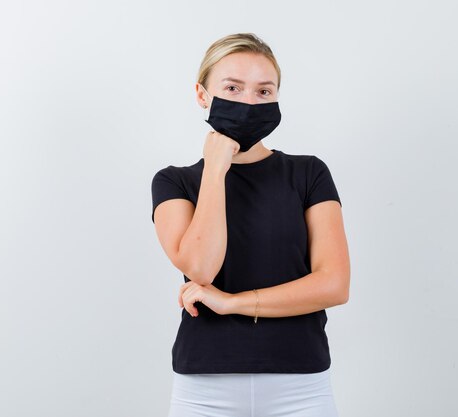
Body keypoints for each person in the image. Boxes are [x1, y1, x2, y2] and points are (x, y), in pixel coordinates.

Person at [150, 33, 350, 417]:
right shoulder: (174, 182)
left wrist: (231, 303)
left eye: (264, 91)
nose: (248, 101)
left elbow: (334, 284)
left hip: (302, 385)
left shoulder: (308, 173)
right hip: (204, 390)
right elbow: (202, 267)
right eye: (232, 87)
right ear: (202, 94)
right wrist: (215, 168)